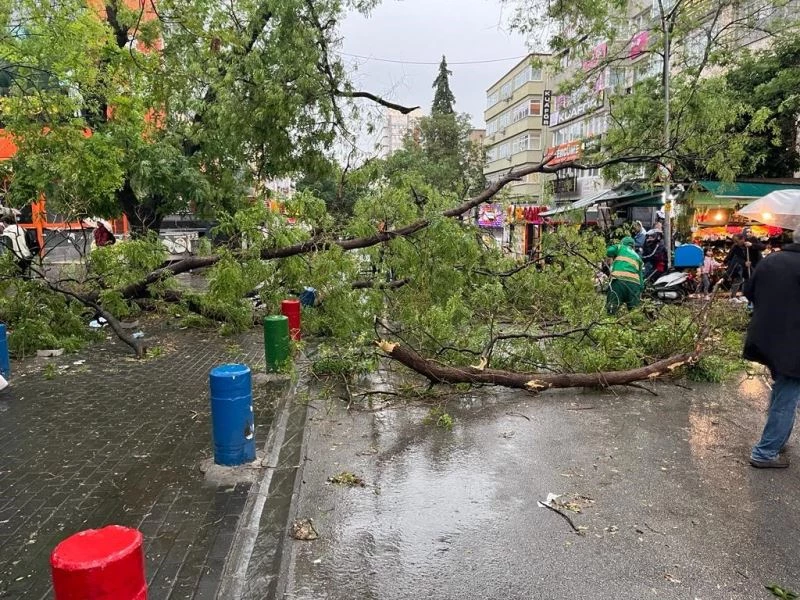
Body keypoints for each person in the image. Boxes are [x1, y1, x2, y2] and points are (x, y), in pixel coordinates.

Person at [743, 228, 800, 468]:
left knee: (783, 389)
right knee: (787, 392)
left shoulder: (771, 260)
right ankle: (766, 451)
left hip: (766, 338)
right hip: (792, 343)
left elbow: (749, 292)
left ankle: (777, 439)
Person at [605, 236, 644, 315]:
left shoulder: (620, 247)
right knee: (634, 313)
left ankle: (609, 323)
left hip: (618, 281)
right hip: (634, 285)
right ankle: (637, 325)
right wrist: (640, 290)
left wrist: (615, 247)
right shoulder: (638, 257)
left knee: (612, 307)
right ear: (633, 246)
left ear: (622, 243)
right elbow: (641, 278)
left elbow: (608, 252)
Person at [724, 233, 763, 297]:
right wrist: (744, 263)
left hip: (756, 263)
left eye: (737, 241)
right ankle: (746, 295)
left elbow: (762, 247)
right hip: (745, 266)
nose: (736, 243)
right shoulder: (735, 247)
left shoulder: (752, 239)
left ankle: (757, 294)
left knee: (756, 279)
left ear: (742, 239)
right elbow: (731, 257)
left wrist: (752, 245)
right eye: (734, 242)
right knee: (744, 280)